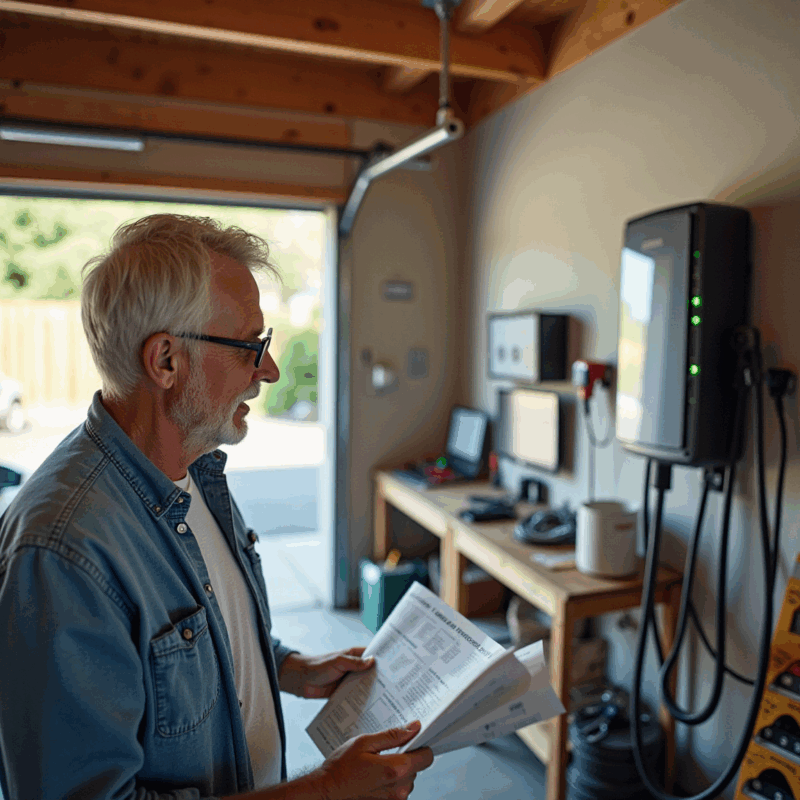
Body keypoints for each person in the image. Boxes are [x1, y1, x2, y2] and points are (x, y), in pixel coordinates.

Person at [0, 214, 433, 800]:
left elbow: (193, 639)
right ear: (166, 362)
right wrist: (328, 791)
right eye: (250, 347)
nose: (270, 370)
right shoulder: (63, 552)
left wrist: (291, 669)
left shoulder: (194, 467)